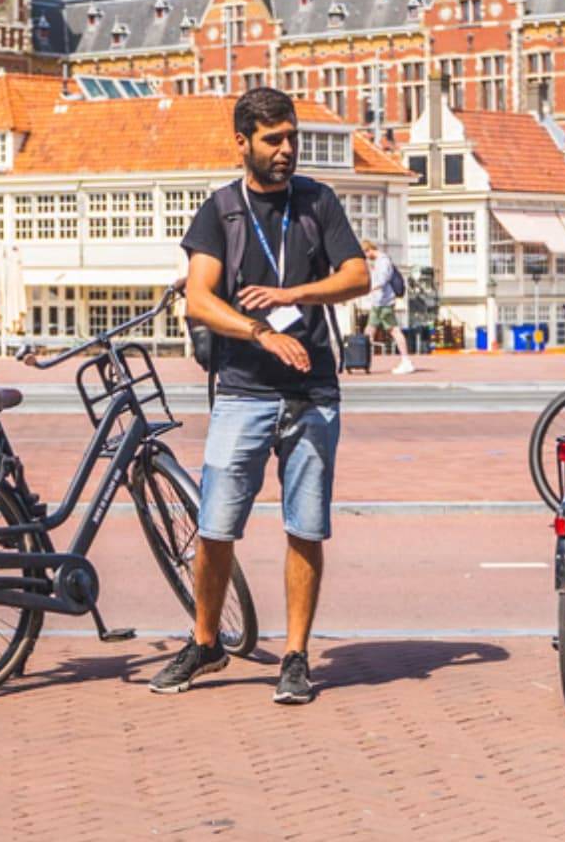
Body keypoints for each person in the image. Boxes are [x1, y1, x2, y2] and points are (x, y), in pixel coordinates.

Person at [159, 87, 368, 704]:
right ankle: (204, 643)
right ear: (243, 143)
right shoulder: (220, 210)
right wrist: (258, 332)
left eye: (291, 137)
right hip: (243, 391)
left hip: (312, 394)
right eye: (273, 140)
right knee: (215, 527)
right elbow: (200, 299)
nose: (286, 150)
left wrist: (292, 296)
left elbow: (356, 275)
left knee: (306, 527)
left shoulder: (318, 202)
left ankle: (297, 657)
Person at [360, 239, 417, 374]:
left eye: (365, 254)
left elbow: (382, 279)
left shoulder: (383, 261)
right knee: (369, 331)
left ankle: (406, 361)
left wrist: (368, 289)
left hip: (384, 303)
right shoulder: (377, 262)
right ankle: (360, 359)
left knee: (394, 331)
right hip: (378, 303)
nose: (365, 257)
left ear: (369, 250)